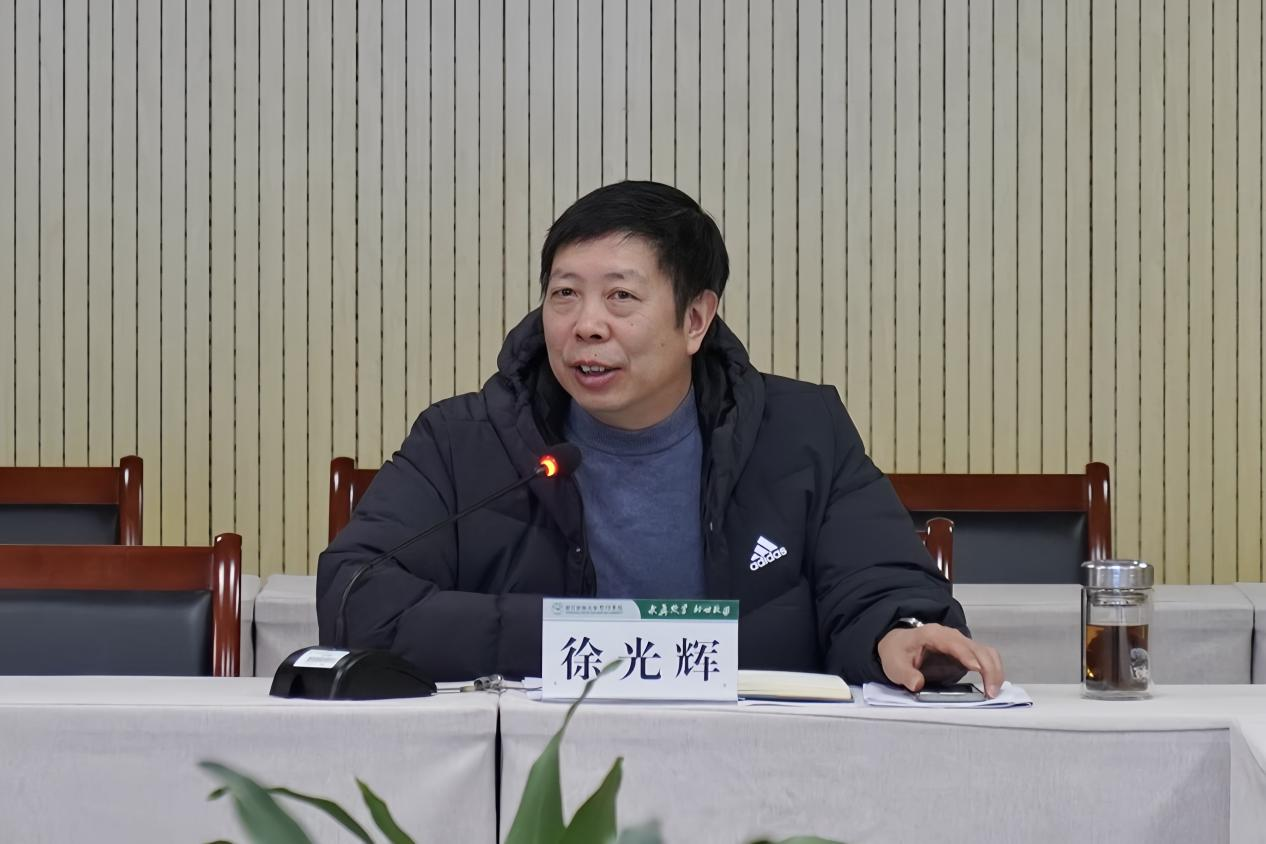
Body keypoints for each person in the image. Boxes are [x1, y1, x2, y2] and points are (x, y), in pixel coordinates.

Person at [316, 180, 1005, 695]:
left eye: (621, 297)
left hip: (756, 771)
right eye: (564, 294)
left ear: (696, 320)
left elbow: (877, 580)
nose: (586, 325)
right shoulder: (463, 441)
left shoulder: (801, 433)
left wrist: (899, 632)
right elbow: (356, 594)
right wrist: (589, 638)